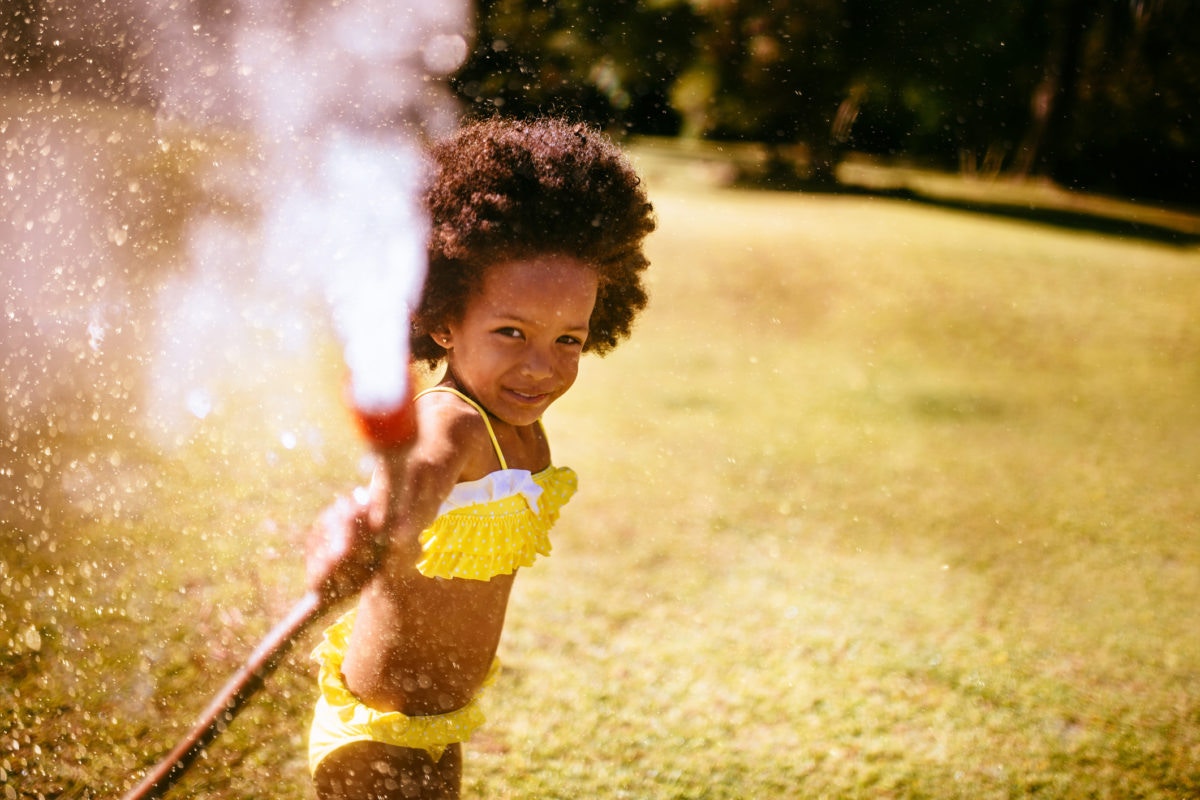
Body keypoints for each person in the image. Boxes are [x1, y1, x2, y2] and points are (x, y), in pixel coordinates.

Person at [303, 117, 655, 799]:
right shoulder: (455, 423)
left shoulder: (521, 430)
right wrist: (373, 520)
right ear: (444, 319)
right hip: (381, 729)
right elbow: (416, 480)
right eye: (511, 332)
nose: (540, 366)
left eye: (568, 340)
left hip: (441, 720)